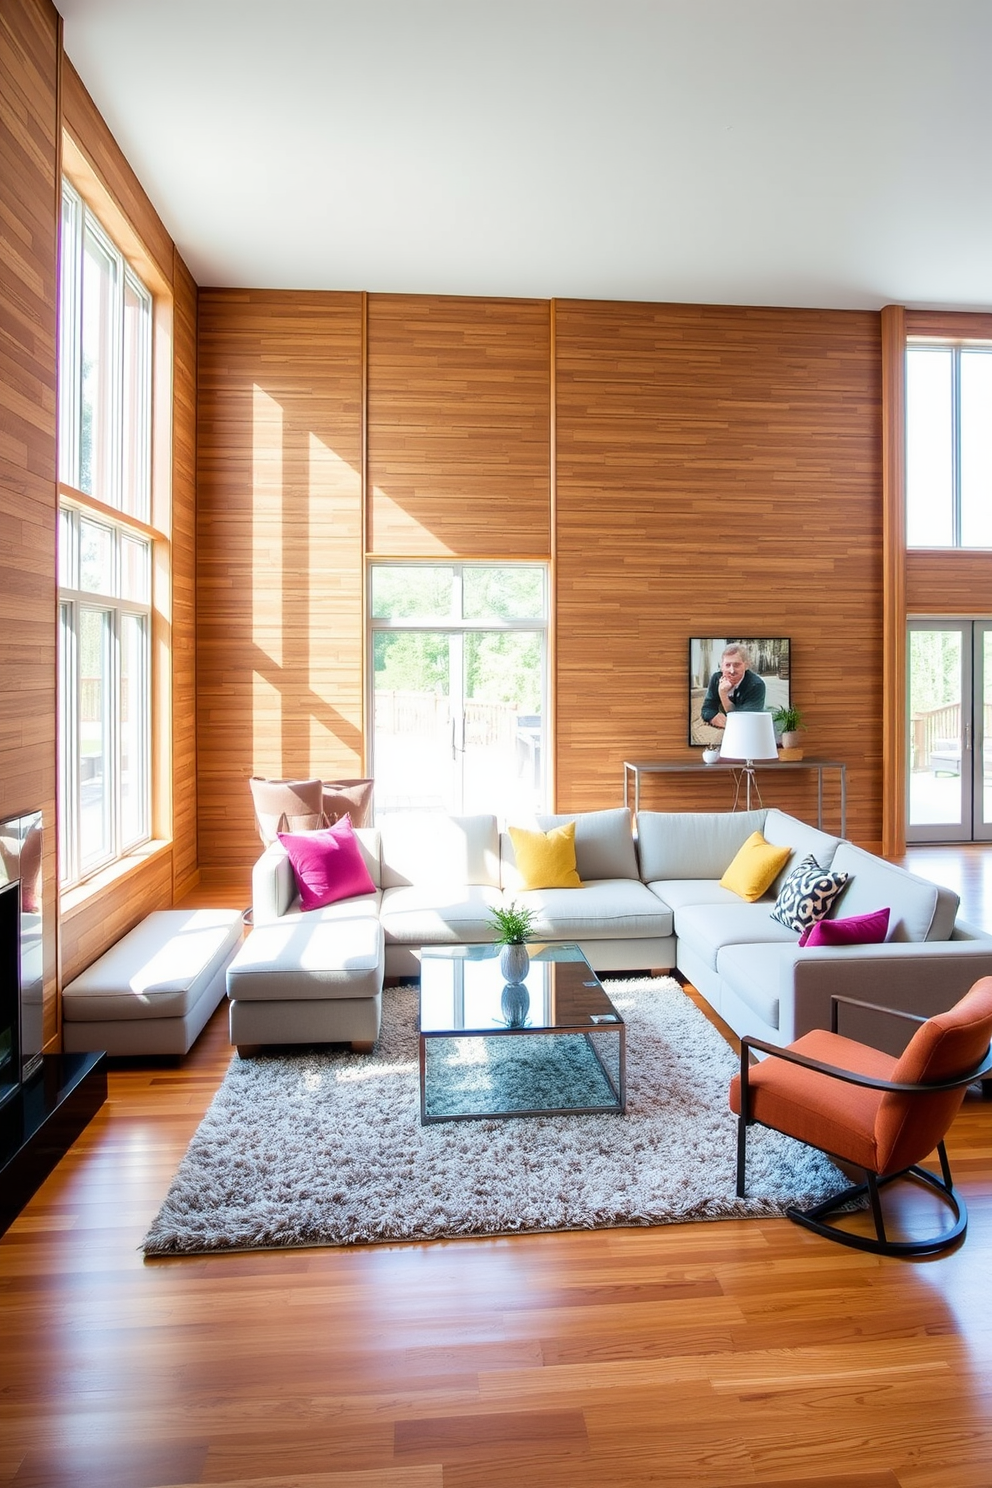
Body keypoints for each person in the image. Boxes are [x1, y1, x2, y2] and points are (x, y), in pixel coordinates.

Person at [700, 644, 766, 729]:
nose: (732, 671)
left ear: (746, 666)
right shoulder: (716, 678)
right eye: (727, 665)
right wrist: (714, 718)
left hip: (750, 729)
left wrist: (722, 693)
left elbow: (745, 720)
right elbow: (706, 709)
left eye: (736, 665)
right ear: (722, 666)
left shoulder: (756, 685)